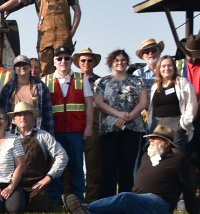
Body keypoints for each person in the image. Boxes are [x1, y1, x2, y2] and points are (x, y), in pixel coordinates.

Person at [66, 125, 200, 214]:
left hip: (160, 204)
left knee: (125, 197)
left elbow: (187, 186)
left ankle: (86, 207)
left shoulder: (177, 159)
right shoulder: (147, 157)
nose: (151, 140)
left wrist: (195, 213)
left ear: (167, 143)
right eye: (150, 137)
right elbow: (147, 149)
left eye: (155, 138)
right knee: (119, 212)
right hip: (140, 201)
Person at [93, 48, 147, 199]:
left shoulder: (137, 81)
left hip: (133, 127)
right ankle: (106, 200)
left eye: (123, 60)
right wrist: (119, 114)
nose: (120, 63)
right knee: (108, 166)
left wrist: (130, 116)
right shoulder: (102, 81)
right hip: (109, 129)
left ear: (127, 62)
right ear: (111, 63)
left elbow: (143, 102)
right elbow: (99, 102)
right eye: (116, 60)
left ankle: (127, 199)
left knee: (127, 166)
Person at [42, 44, 91, 201]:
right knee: (56, 166)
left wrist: (89, 127)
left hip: (76, 131)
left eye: (67, 58)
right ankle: (56, 200)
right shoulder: (46, 80)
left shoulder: (81, 79)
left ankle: (79, 200)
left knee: (77, 167)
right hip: (54, 132)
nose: (63, 61)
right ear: (54, 61)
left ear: (71, 61)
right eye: (60, 58)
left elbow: (89, 104)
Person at [11, 99, 68, 212]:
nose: (23, 117)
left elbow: (62, 156)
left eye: (27, 114)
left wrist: (49, 177)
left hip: (37, 185)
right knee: (14, 208)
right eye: (19, 115)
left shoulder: (44, 136)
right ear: (14, 120)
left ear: (33, 118)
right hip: (14, 185)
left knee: (38, 208)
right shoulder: (7, 137)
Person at [148, 54, 196, 152]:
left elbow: (192, 104)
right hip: (157, 125)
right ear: (159, 69)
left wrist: (183, 124)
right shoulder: (155, 86)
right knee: (157, 155)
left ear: (174, 67)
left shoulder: (182, 82)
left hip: (176, 124)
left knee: (175, 155)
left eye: (169, 65)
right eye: (163, 66)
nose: (167, 68)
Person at [74, 46, 105, 198]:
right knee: (74, 162)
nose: (86, 63)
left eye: (89, 60)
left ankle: (93, 197)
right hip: (75, 123)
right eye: (83, 60)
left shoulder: (101, 82)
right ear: (79, 62)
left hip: (94, 124)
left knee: (93, 162)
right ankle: (73, 196)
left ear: (94, 63)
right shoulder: (74, 80)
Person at [0, 55, 54, 133]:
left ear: (30, 67)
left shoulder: (40, 86)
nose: (21, 67)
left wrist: (50, 134)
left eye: (24, 64)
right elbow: (1, 112)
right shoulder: (8, 88)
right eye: (18, 65)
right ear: (15, 69)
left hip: (36, 132)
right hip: (12, 132)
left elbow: (48, 113)